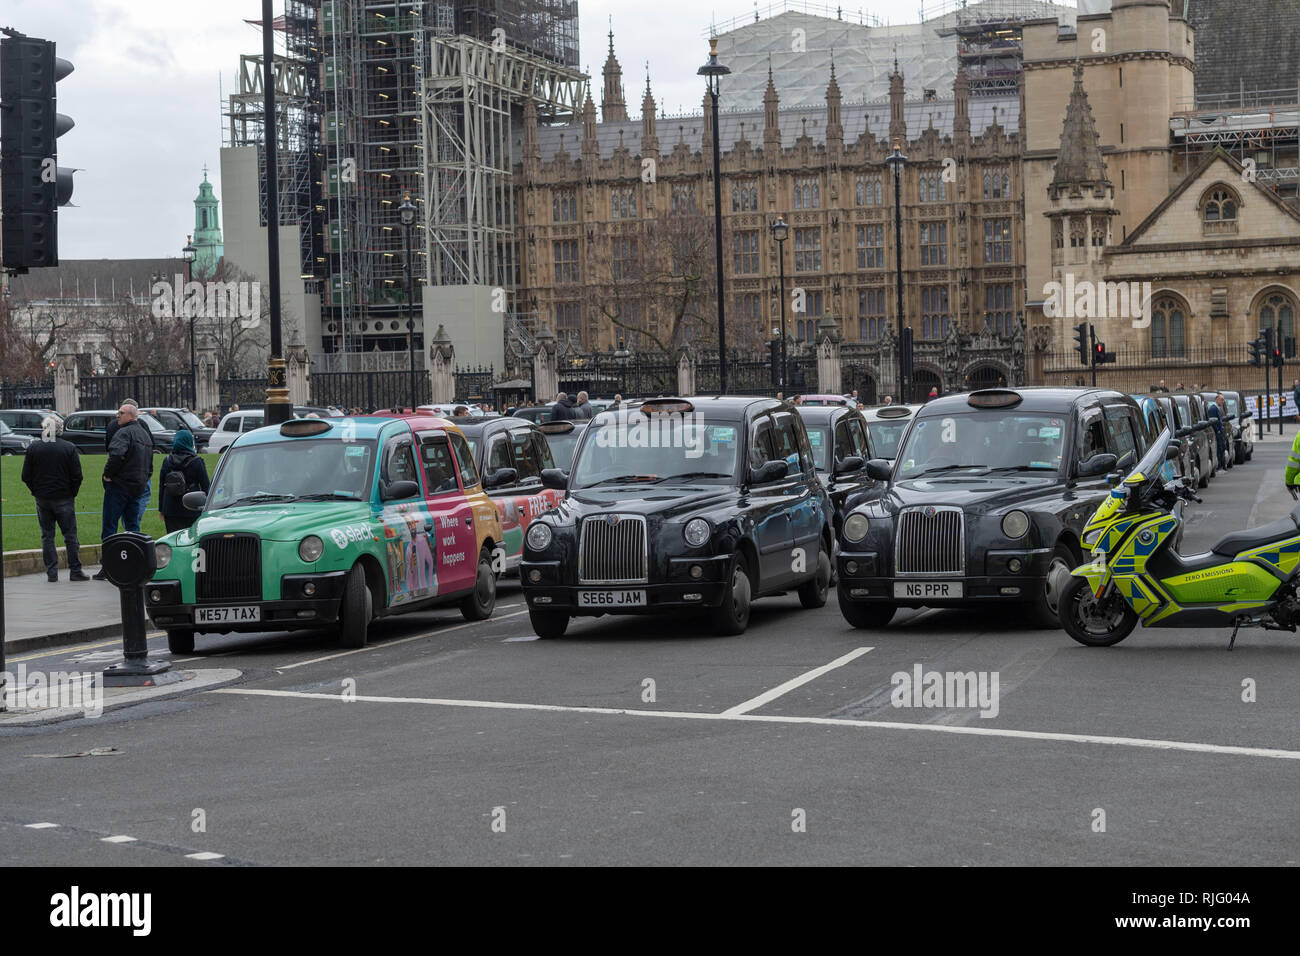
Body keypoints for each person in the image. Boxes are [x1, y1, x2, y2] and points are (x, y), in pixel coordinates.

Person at [21, 416, 87, 583]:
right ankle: (75, 570)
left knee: (47, 535)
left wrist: (35, 490)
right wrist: (72, 492)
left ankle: (52, 572)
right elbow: (77, 476)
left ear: (45, 428)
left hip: (42, 497)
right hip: (64, 496)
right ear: (60, 429)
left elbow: (25, 476)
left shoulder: (34, 447)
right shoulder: (69, 448)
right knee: (70, 535)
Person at [94, 404, 154, 580]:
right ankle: (135, 563)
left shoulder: (123, 433)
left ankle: (108, 566)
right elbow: (149, 465)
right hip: (137, 487)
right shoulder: (144, 434)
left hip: (119, 486)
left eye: (120, 413)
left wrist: (107, 475)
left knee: (109, 527)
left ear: (131, 416)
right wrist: (142, 481)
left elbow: (116, 456)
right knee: (133, 527)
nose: (117, 416)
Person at [158, 429, 210, 532]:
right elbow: (206, 486)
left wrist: (161, 509)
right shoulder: (197, 462)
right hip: (192, 507)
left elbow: (162, 486)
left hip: (170, 508)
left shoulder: (167, 461)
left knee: (173, 540)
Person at [1207, 394, 1228, 472]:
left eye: (1223, 399)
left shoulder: (1217, 408)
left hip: (1219, 433)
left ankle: (1221, 466)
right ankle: (1218, 467)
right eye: (1221, 399)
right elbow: (1213, 421)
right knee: (1219, 450)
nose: (1223, 401)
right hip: (1217, 433)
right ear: (1217, 400)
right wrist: (1218, 431)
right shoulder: (1213, 409)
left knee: (1221, 449)